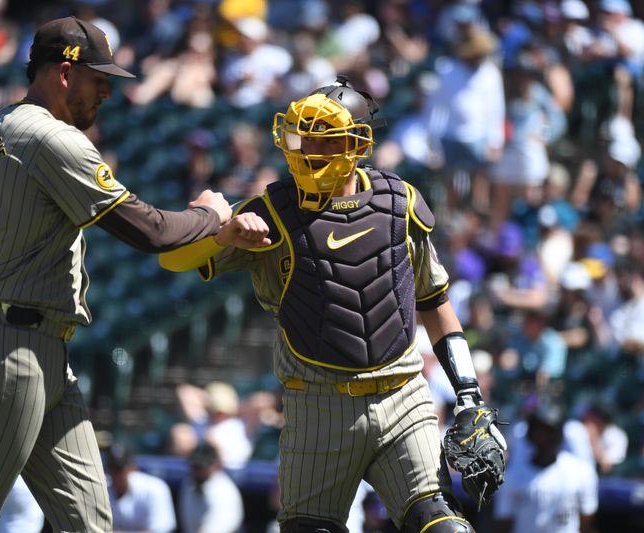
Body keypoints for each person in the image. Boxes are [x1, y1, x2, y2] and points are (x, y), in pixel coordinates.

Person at [0, 16, 237, 532]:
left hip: (38, 348)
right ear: (64, 73)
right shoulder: (49, 138)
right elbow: (150, 232)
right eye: (99, 78)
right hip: (6, 351)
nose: (108, 92)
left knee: (89, 522)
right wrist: (211, 214)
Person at [160, 75, 506, 532]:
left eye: (324, 142)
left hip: (403, 396)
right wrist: (221, 232)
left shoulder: (398, 203)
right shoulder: (270, 212)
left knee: (444, 527)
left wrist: (468, 396)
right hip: (316, 405)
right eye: (302, 139)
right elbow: (171, 257)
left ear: (357, 144)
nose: (307, 152)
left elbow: (435, 303)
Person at [494, 401, 598, 533]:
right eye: (539, 430)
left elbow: (586, 524)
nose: (543, 436)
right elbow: (503, 524)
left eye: (549, 431)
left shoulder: (581, 473)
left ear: (558, 433)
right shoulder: (513, 476)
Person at [105, 443, 177, 533]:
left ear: (133, 468)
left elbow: (161, 530)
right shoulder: (103, 490)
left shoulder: (155, 488)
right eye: (112, 469)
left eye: (119, 469)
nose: (115, 474)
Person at [178, 442, 244, 533]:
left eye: (201, 467)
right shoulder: (188, 484)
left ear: (216, 465)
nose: (197, 471)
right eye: (195, 466)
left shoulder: (223, 491)